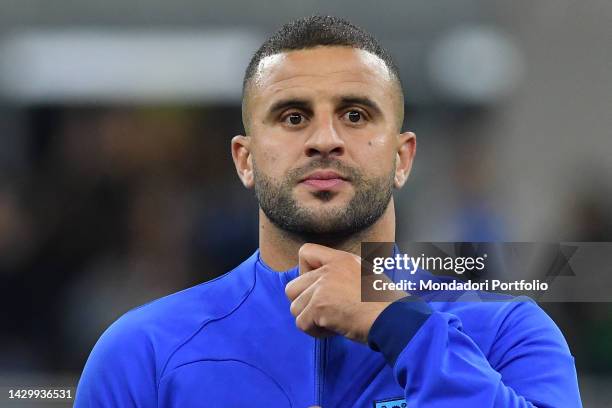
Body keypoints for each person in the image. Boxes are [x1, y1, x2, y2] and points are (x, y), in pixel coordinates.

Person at [75, 16, 581, 407]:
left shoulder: (506, 331)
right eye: (293, 117)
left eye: (355, 115)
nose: (325, 140)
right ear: (245, 161)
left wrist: (400, 326)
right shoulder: (143, 352)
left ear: (402, 158)